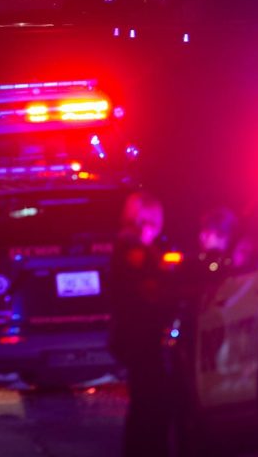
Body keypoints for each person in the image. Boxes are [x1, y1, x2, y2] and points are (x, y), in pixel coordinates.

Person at [108, 191, 175, 457]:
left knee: (144, 401)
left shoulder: (126, 247)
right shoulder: (136, 251)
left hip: (132, 334)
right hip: (141, 336)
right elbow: (148, 292)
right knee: (151, 401)